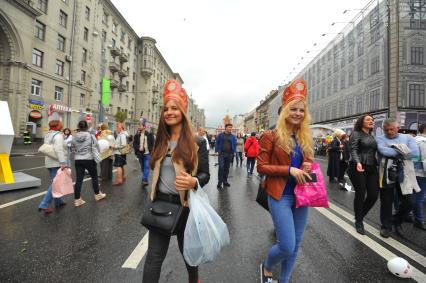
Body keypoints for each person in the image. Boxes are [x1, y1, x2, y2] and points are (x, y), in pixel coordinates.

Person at [142, 79, 209, 283]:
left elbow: (205, 175)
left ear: (182, 111)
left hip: (186, 207)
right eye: (166, 109)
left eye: (174, 108)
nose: (169, 112)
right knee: (153, 258)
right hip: (160, 205)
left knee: (189, 256)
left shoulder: (196, 142)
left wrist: (193, 182)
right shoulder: (160, 140)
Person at [257, 79, 313, 283]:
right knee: (287, 245)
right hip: (279, 195)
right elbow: (261, 167)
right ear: (285, 111)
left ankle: (285, 279)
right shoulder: (270, 136)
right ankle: (267, 266)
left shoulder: (305, 136)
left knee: (297, 243)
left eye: (301, 110)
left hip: (301, 195)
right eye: (293, 109)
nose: (297, 113)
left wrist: (306, 165)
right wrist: (289, 170)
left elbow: (307, 160)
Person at [377, 118, 419, 238]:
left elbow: (415, 153)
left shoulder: (408, 138)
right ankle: (386, 226)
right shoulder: (380, 138)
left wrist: (392, 149)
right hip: (385, 173)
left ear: (398, 128)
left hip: (404, 172)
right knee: (386, 202)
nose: (389, 132)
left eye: (391, 129)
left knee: (410, 202)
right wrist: (402, 151)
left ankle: (396, 220)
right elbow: (382, 150)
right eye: (386, 130)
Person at [347, 115, 379, 235]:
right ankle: (359, 221)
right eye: (368, 119)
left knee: (373, 195)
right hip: (357, 167)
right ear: (361, 122)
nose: (371, 121)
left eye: (372, 120)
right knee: (361, 194)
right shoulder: (356, 133)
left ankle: (359, 215)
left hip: (371, 167)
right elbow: (353, 149)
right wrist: (358, 162)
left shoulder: (372, 135)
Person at [38, 113, 67, 215]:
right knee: (55, 184)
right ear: (57, 126)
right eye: (60, 123)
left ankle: (58, 201)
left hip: (49, 162)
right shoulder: (58, 136)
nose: (62, 124)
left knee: (55, 182)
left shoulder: (48, 135)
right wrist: (63, 162)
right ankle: (44, 204)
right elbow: (59, 150)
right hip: (56, 163)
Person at [72, 120, 106, 207]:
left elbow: (73, 148)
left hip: (78, 159)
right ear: (87, 127)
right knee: (94, 177)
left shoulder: (74, 136)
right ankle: (97, 195)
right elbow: (96, 146)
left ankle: (77, 199)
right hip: (89, 159)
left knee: (79, 180)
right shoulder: (91, 136)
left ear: (79, 127)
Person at [215, 123, 237, 189]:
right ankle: (219, 182)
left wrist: (234, 152)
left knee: (227, 168)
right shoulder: (220, 135)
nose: (230, 128)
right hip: (221, 154)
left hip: (229, 154)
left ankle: (225, 181)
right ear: (226, 128)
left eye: (231, 127)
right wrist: (217, 151)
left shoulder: (233, 136)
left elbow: (234, 144)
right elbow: (217, 143)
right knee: (221, 167)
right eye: (229, 127)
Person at [133, 119, 154, 187]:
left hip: (148, 154)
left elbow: (152, 144)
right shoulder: (136, 135)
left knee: (147, 167)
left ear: (144, 126)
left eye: (140, 125)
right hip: (140, 154)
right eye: (138, 125)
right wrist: (138, 147)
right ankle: (144, 179)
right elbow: (134, 144)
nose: (138, 127)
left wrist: (152, 152)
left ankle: (145, 180)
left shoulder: (150, 135)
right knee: (143, 167)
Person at [414, 123, 426, 231]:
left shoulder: (415, 139)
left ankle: (410, 215)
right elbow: (425, 160)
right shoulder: (423, 142)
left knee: (414, 196)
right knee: (419, 198)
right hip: (422, 173)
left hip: (415, 172)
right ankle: (419, 220)